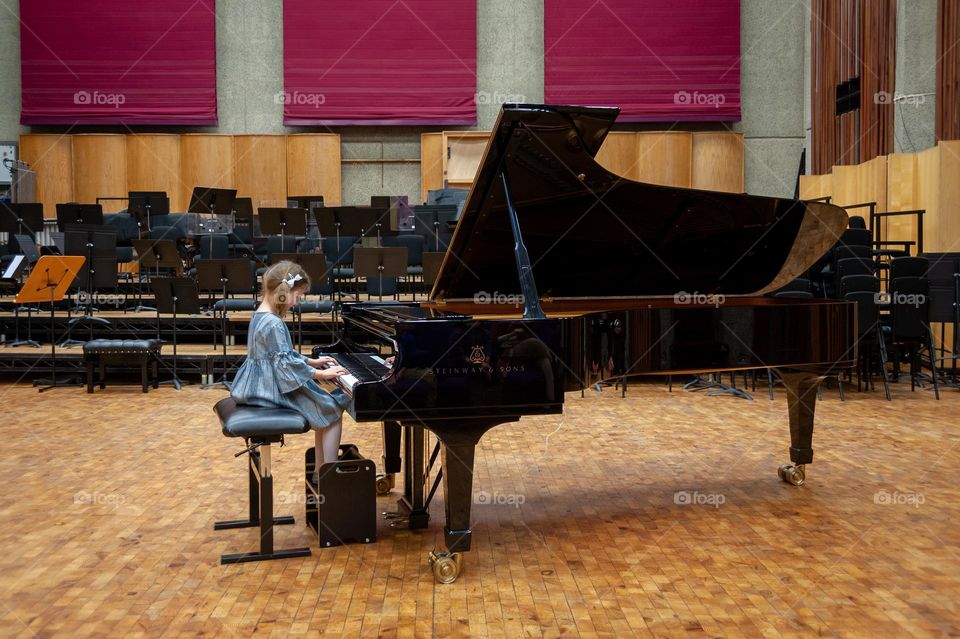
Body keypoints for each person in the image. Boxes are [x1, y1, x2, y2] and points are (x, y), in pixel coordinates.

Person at [230, 260, 351, 479]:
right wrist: (321, 374)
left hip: (256, 384)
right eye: (298, 296)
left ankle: (319, 473)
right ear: (284, 293)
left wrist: (310, 362)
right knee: (332, 412)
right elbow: (283, 364)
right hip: (268, 389)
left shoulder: (260, 314)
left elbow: (278, 355)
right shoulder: (275, 323)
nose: (297, 302)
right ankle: (330, 475)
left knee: (324, 408)